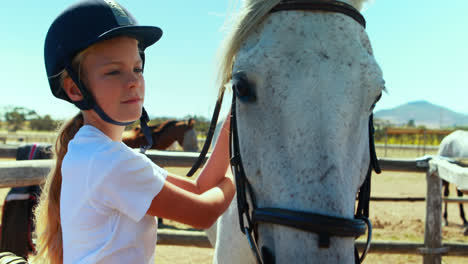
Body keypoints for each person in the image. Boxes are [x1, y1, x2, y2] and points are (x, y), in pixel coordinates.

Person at [32, 1, 235, 263]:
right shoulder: (107, 161)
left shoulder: (98, 152)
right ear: (75, 89)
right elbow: (203, 213)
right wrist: (236, 172)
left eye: (137, 68)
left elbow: (199, 188)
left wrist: (233, 123)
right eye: (114, 71)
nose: (133, 81)